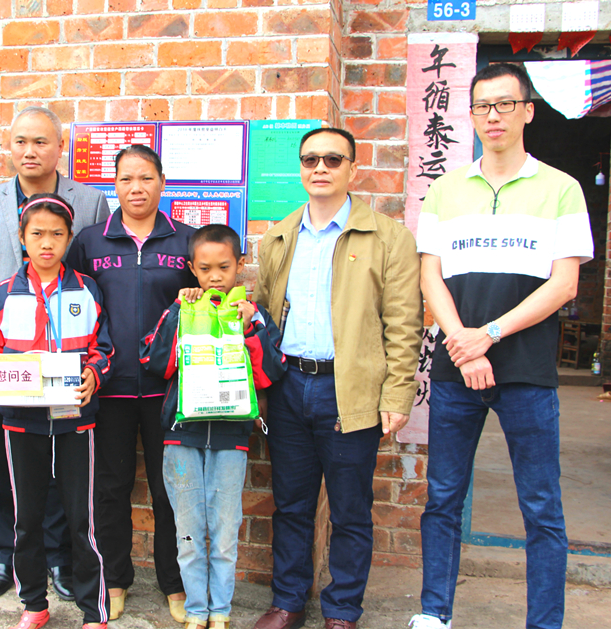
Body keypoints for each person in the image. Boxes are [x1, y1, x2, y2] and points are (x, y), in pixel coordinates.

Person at [410, 63, 594, 629]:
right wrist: (462, 345)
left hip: (526, 370)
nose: (493, 116)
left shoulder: (561, 188)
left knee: (540, 506)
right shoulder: (445, 190)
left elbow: (564, 284)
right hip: (456, 369)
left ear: (528, 111)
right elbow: (430, 276)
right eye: (483, 106)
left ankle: (545, 622)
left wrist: (485, 336)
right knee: (443, 497)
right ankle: (434, 612)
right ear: (471, 115)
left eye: (505, 104)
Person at [252, 128, 423, 629]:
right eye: (310, 160)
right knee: (291, 505)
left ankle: (343, 611)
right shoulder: (280, 237)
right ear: (301, 168)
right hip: (288, 387)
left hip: (348, 391)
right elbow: (263, 313)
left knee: (349, 509)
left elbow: (404, 323)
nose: (320, 168)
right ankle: (287, 602)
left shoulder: (388, 238)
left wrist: (397, 395)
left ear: (352, 167)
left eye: (332, 159)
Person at [0, 106, 110, 600]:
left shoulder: (90, 202)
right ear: (10, 145)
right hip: (8, 374)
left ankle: (59, 558)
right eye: (21, 140)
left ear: (60, 147)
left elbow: (92, 288)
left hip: (67, 373)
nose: (30, 150)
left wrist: (93, 367)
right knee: (6, 467)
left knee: (64, 473)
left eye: (41, 141)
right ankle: (8, 555)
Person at [67, 144, 192, 621]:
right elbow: (73, 308)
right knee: (111, 489)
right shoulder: (90, 242)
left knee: (168, 492)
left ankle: (174, 583)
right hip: (108, 388)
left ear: (162, 182)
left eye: (145, 178)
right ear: (114, 185)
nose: (136, 188)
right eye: (125, 179)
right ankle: (115, 579)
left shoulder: (186, 241)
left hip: (169, 391)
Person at [141, 224, 287, 629]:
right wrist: (178, 311)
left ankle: (220, 610)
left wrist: (251, 325)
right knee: (188, 533)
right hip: (181, 439)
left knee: (224, 532)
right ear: (192, 268)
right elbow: (155, 361)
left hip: (230, 440)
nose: (215, 277)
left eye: (224, 267)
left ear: (241, 264)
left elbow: (271, 373)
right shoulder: (182, 308)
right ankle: (195, 611)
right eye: (205, 269)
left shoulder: (254, 314)